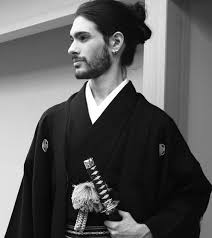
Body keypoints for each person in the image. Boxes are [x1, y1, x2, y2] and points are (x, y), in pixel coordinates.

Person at [5, 0, 212, 238]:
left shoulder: (155, 125)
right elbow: (29, 209)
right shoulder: (53, 121)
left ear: (115, 42)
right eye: (71, 38)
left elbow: (193, 192)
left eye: (82, 38)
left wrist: (149, 230)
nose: (71, 48)